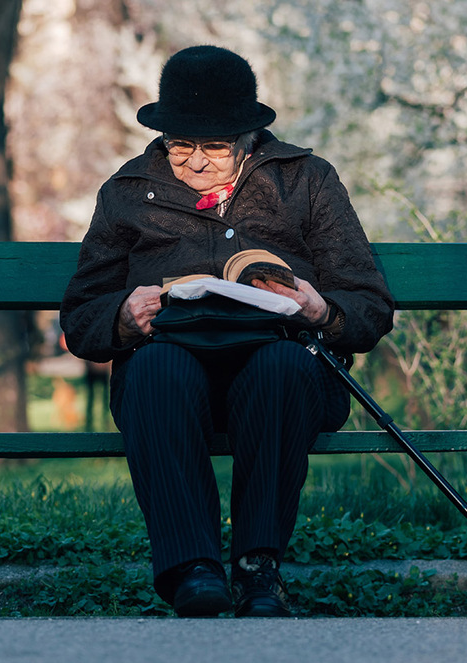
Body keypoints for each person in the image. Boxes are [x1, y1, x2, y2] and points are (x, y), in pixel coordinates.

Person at [60, 45, 394, 617]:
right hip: (171, 364)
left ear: (247, 137)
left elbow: (368, 304)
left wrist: (321, 312)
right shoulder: (126, 191)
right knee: (157, 371)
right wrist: (121, 315)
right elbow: (82, 316)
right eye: (180, 144)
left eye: (213, 146)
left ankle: (257, 570)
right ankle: (193, 570)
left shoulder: (306, 181)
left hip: (278, 363)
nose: (193, 161)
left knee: (282, 369)